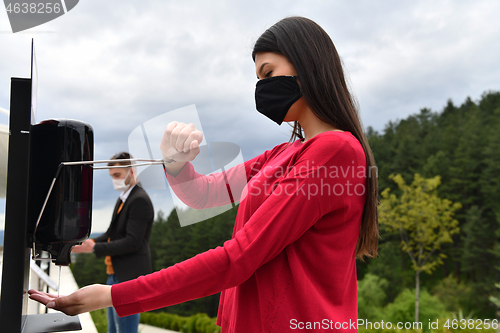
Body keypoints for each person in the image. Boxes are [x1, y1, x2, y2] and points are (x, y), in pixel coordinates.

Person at [29, 17, 379, 332]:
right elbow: (205, 194)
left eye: (268, 74)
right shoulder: (282, 154)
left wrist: (113, 295)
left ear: (307, 63)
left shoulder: (335, 152)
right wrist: (176, 164)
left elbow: (238, 258)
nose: (262, 88)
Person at [71, 152, 155, 333]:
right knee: (112, 329)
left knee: (125, 330)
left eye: (117, 175)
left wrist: (95, 248)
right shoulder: (124, 198)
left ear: (131, 172)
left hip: (129, 276)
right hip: (115, 274)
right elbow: (111, 233)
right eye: (112, 176)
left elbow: (132, 242)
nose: (114, 180)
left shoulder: (139, 200)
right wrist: (89, 242)